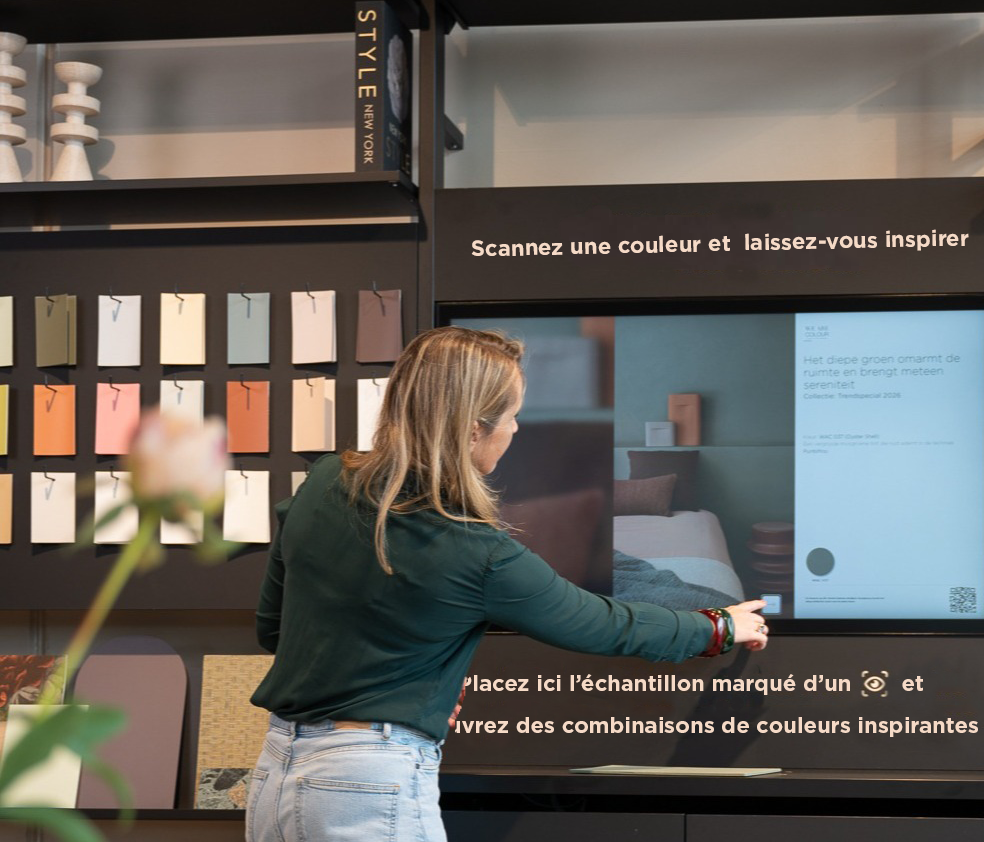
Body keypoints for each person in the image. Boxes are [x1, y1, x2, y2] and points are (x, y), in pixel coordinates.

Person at [245, 326, 769, 842]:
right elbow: (602, 623)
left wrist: (414, 691)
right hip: (367, 783)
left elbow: (275, 629)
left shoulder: (324, 480)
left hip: (275, 773)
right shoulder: (474, 549)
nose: (516, 430)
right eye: (513, 416)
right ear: (474, 429)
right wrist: (719, 626)